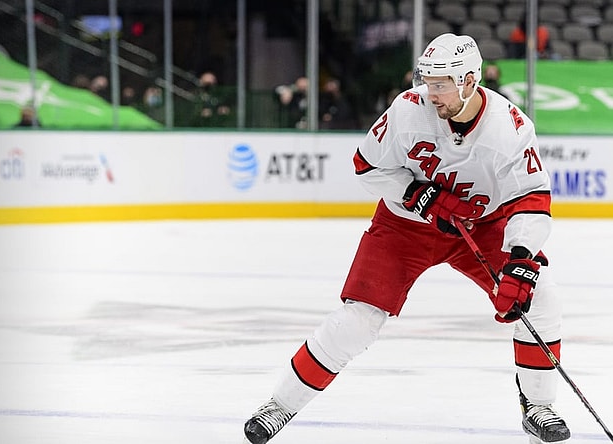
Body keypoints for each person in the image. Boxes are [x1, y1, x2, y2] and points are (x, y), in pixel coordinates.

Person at [243, 33, 570, 444]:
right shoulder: (408, 109)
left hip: (483, 226)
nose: (431, 93)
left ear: (470, 81)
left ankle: (538, 406)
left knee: (540, 298)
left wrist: (521, 258)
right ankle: (280, 405)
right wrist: (417, 193)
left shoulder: (510, 127)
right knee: (358, 320)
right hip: (405, 226)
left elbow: (530, 197)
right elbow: (366, 167)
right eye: (428, 81)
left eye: (441, 84)